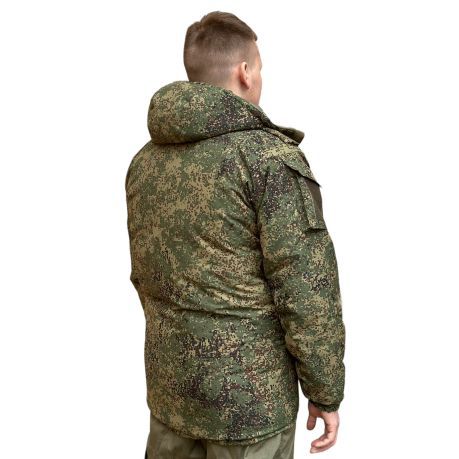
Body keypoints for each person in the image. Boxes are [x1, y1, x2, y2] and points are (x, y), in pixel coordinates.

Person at [125, 10, 346, 459]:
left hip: (172, 393)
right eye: (259, 68)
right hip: (250, 409)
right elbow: (306, 288)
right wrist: (325, 391)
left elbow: (146, 276)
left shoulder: (145, 162)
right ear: (244, 72)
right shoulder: (267, 160)